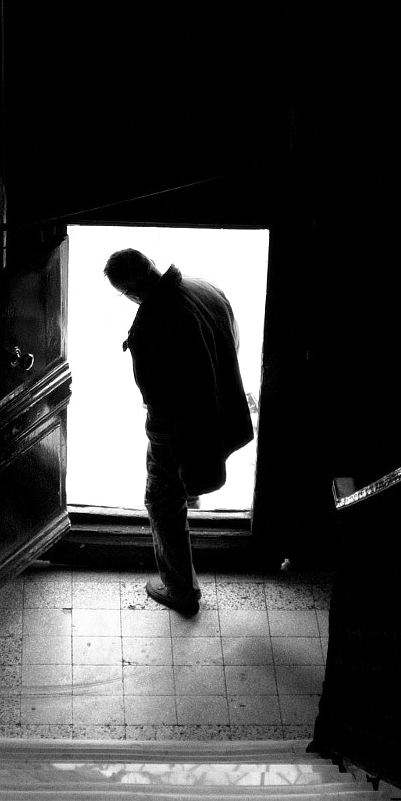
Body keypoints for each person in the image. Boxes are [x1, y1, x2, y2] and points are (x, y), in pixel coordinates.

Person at [104, 248, 253, 615]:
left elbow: (156, 398)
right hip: (223, 412)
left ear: (131, 292)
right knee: (185, 486)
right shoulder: (206, 289)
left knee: (163, 500)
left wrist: (160, 443)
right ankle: (193, 489)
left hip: (184, 429)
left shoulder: (151, 325)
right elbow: (231, 342)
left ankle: (180, 588)